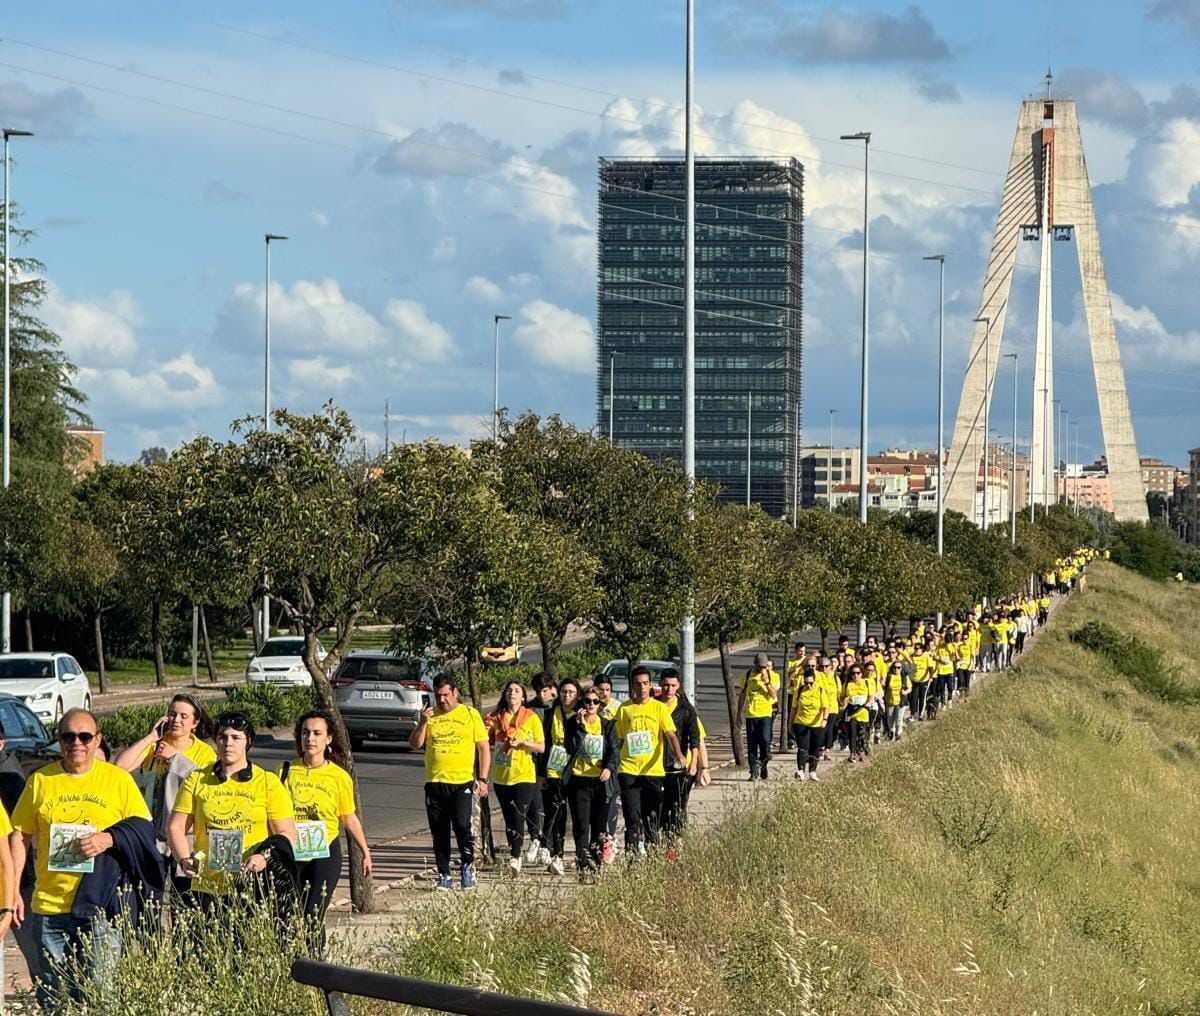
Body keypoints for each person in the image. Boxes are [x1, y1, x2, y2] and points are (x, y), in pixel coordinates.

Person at [12, 709, 155, 1008]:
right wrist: (13, 890)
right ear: (59, 741)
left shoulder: (117, 780)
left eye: (84, 736)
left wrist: (109, 838)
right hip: (50, 907)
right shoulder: (41, 781)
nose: (76, 742)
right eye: (67, 736)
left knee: (102, 997)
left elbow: (143, 829)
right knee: (55, 997)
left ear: (97, 739)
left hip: (99, 906)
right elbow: (20, 836)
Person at [168, 712, 296, 911]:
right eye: (222, 737)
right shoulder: (196, 779)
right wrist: (184, 859)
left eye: (236, 738)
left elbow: (286, 834)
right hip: (206, 887)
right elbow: (176, 827)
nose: (228, 743)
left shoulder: (267, 782)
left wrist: (263, 856)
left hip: (252, 885)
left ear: (248, 742)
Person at [277, 711, 372, 924]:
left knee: (313, 914)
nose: (310, 739)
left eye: (317, 733)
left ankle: (314, 956)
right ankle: (294, 956)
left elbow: (349, 818)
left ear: (328, 739)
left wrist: (365, 852)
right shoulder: (284, 771)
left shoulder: (339, 776)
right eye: (305, 733)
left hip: (324, 852)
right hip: (292, 852)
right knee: (290, 914)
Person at [115, 693, 216, 893]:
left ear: (194, 723)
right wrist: (151, 737)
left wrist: (175, 759)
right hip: (153, 834)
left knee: (184, 895)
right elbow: (120, 767)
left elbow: (208, 787)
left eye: (183, 716)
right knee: (150, 894)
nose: (176, 720)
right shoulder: (155, 746)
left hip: (185, 835)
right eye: (172, 714)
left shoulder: (204, 753)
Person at [408, 675, 490, 890]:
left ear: (455, 693)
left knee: (463, 826)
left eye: (446, 695)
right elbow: (415, 744)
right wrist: (423, 722)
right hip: (435, 782)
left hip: (462, 782)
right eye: (438, 695)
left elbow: (483, 748)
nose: (442, 700)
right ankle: (444, 874)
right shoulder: (430, 715)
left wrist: (482, 778)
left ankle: (467, 866)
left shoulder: (470, 714)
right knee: (439, 831)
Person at [615, 666, 686, 858]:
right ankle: (632, 858)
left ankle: (653, 855)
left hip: (653, 771)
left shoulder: (659, 708)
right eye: (637, 684)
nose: (642, 688)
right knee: (631, 817)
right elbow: (619, 739)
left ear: (650, 685)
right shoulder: (624, 709)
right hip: (628, 769)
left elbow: (670, 734)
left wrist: (679, 754)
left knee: (652, 817)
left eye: (645, 683)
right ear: (633, 686)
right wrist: (610, 763)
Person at [485, 681, 545, 877]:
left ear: (523, 697)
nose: (512, 693)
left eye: (517, 690)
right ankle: (514, 850)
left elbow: (541, 747)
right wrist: (486, 727)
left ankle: (515, 855)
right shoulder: (496, 718)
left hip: (524, 775)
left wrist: (524, 742)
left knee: (519, 814)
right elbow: (486, 739)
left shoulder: (531, 718)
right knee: (509, 817)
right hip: (502, 776)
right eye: (509, 690)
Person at [561, 690, 618, 883]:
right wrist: (581, 728)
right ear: (582, 703)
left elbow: (614, 751)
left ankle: (595, 865)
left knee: (599, 826)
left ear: (599, 705)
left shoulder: (607, 725)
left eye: (595, 701)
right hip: (579, 780)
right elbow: (571, 747)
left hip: (600, 781)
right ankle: (583, 864)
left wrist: (609, 768)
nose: (591, 705)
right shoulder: (572, 724)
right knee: (581, 825)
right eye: (587, 701)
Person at [538, 677, 579, 876]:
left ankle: (581, 854)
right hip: (555, 768)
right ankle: (556, 854)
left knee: (578, 815)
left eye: (571, 692)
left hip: (579, 771)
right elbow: (544, 745)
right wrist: (541, 774)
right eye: (564, 692)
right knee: (556, 811)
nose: (567, 696)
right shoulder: (551, 714)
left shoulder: (583, 713)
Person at [656, 669, 702, 835]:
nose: (669, 689)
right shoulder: (653, 705)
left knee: (677, 806)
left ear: (678, 686)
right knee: (657, 807)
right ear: (660, 684)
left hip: (678, 767)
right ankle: (657, 840)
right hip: (655, 766)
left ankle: (675, 841)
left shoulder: (685, 708)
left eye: (673, 685)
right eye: (666, 685)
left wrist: (695, 763)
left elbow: (694, 737)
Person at [737, 652, 779, 780]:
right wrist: (738, 713)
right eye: (759, 667)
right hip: (751, 714)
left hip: (765, 714)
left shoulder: (773, 676)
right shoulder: (748, 675)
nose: (761, 669)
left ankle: (763, 763)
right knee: (752, 745)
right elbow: (742, 694)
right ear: (755, 664)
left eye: (764, 667)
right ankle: (753, 771)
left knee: (765, 742)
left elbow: (773, 695)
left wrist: (766, 683)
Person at [790, 667, 828, 781]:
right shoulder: (800, 690)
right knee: (802, 747)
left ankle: (812, 771)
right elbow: (794, 708)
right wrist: (790, 723)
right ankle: (801, 770)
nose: (809, 686)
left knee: (815, 748)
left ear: (815, 681)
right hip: (801, 722)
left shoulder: (820, 690)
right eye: (806, 683)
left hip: (816, 724)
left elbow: (826, 707)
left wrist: (824, 719)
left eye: (811, 683)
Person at [840, 666, 870, 763]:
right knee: (852, 733)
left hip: (863, 712)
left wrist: (868, 703)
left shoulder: (866, 682)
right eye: (853, 673)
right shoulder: (848, 684)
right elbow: (842, 696)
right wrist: (844, 702)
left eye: (858, 673)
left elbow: (871, 696)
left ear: (861, 673)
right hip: (852, 712)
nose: (855, 675)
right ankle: (852, 753)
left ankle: (861, 752)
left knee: (862, 734)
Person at [883, 661, 909, 743]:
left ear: (901, 669)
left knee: (899, 718)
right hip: (890, 700)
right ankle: (892, 733)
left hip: (901, 701)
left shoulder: (904, 677)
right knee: (890, 719)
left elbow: (910, 688)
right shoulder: (889, 677)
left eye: (898, 668)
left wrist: (905, 692)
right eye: (894, 667)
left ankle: (898, 735)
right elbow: (885, 686)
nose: (896, 669)